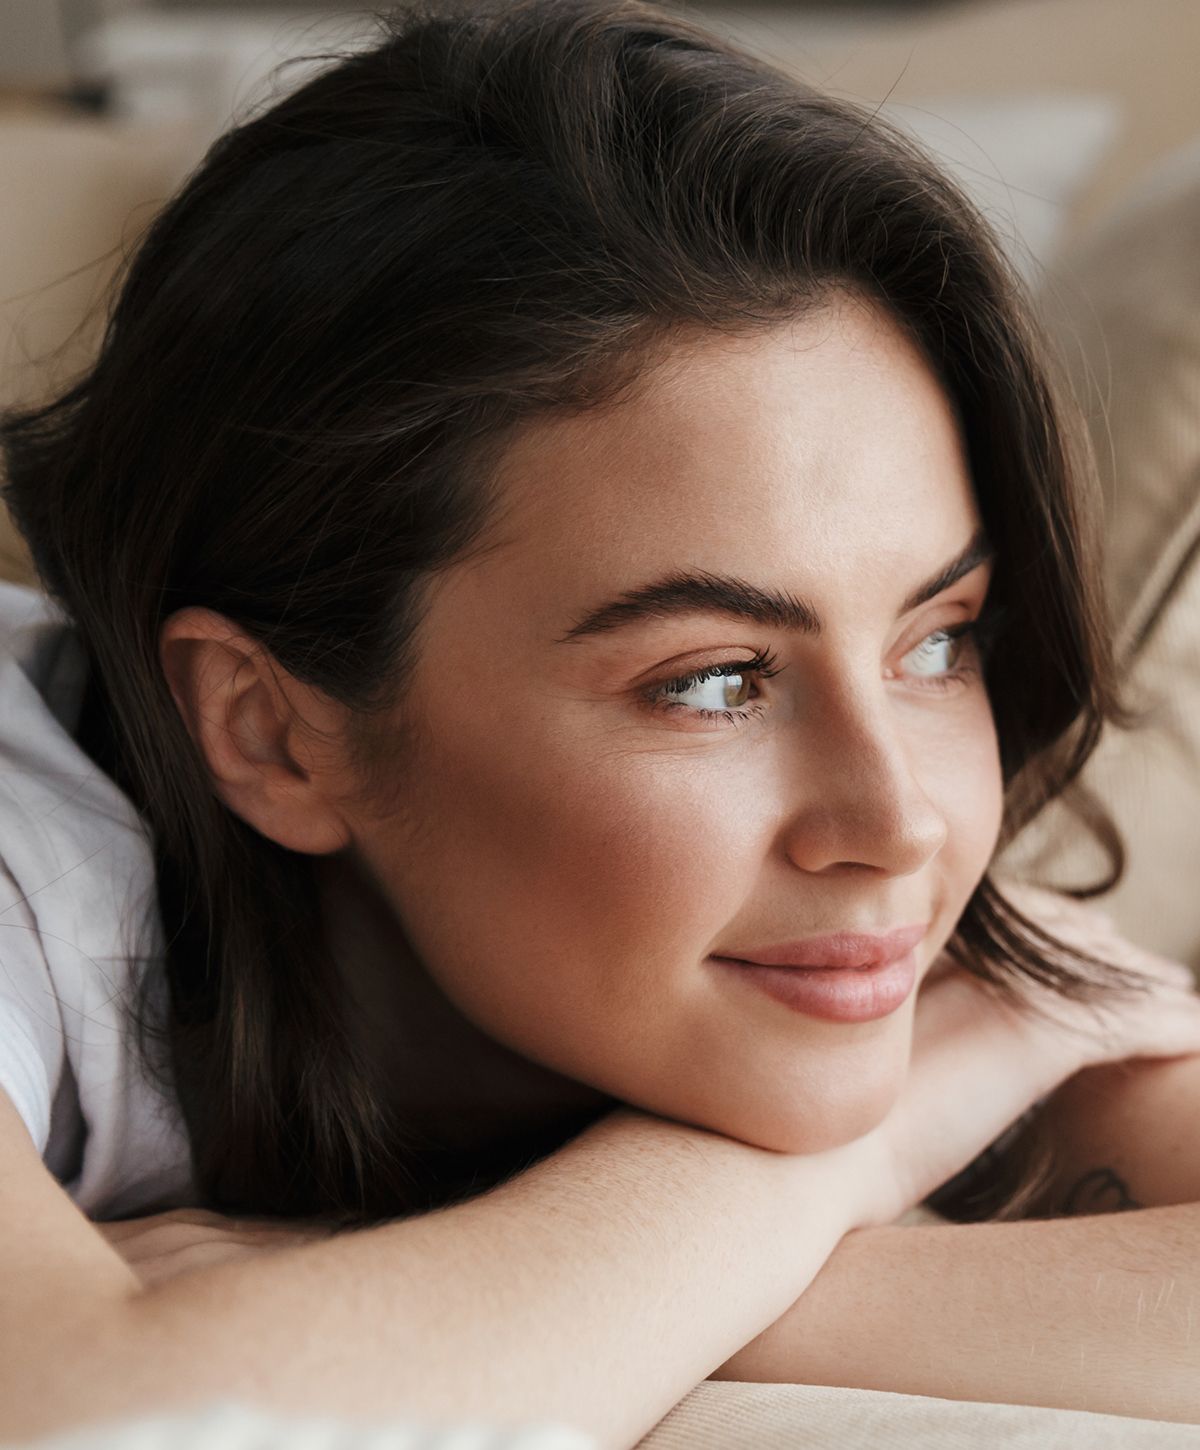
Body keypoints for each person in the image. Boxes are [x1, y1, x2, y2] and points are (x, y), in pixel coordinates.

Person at [1, 1, 1200, 1445]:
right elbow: (108, 1419)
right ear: (270, 733)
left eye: (937, 640)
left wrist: (421, 1299)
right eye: (711, 681)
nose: (901, 822)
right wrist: (835, 1166)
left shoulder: (837, 904)